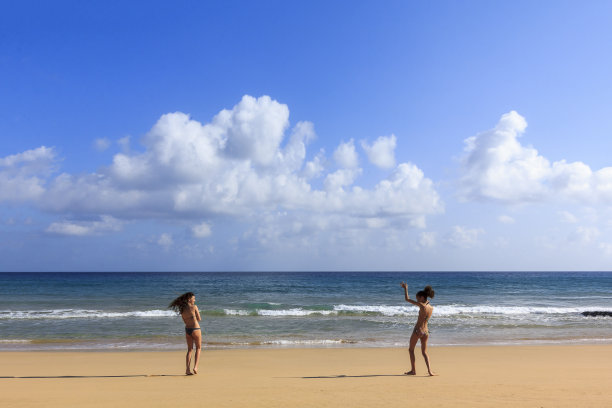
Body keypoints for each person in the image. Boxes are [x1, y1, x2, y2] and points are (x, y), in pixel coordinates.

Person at [400, 282, 436, 376]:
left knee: (411, 350)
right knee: (424, 352)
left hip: (418, 331)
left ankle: (413, 370)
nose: (417, 300)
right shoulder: (431, 307)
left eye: (418, 298)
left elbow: (407, 299)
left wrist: (405, 288)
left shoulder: (422, 306)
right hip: (426, 332)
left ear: (422, 298)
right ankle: (430, 371)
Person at [169, 292, 202, 375]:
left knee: (190, 350)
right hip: (196, 328)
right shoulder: (194, 307)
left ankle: (187, 369)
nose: (194, 300)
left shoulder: (182, 309)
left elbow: (184, 321)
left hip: (187, 330)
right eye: (193, 298)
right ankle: (195, 367)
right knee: (198, 348)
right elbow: (199, 318)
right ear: (189, 299)